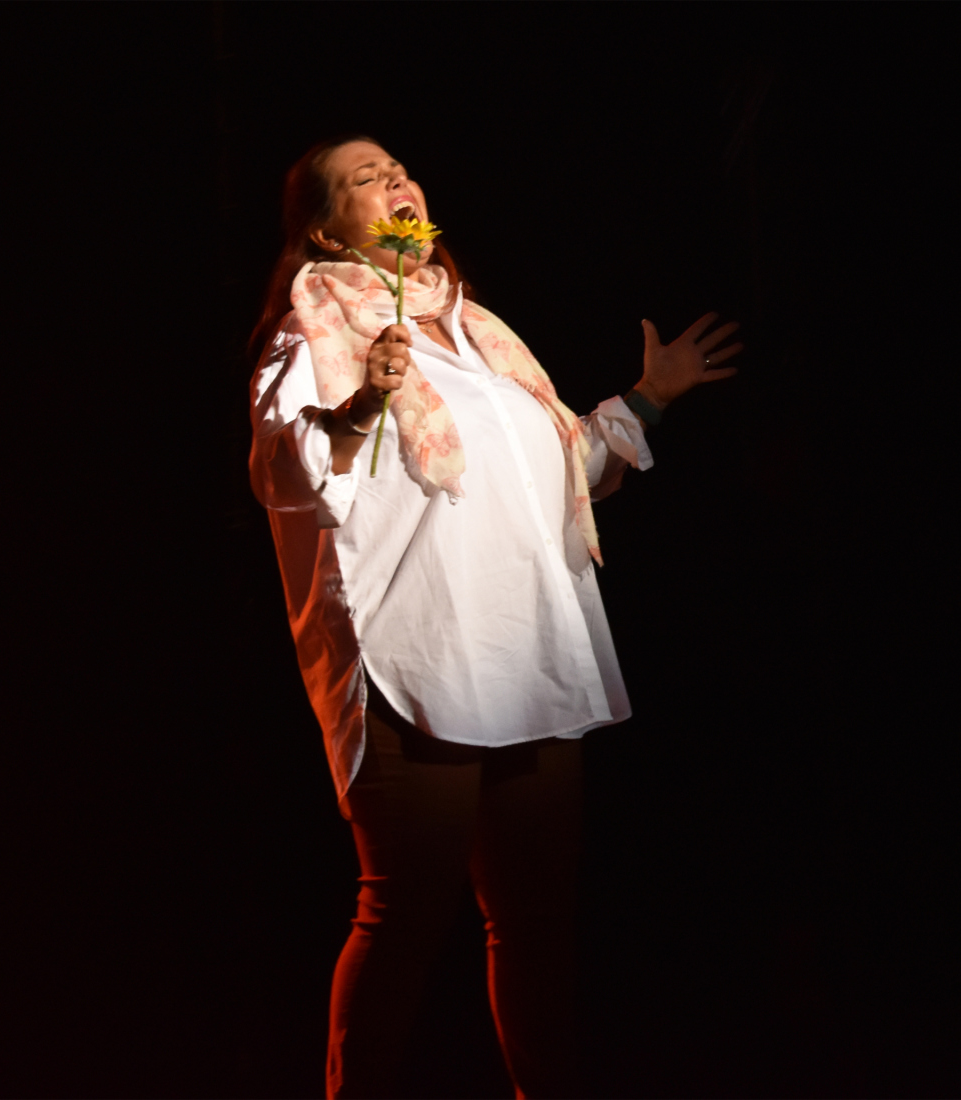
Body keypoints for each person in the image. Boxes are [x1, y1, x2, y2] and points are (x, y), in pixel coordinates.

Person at [248, 135, 742, 1100]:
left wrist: (649, 398)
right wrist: (361, 404)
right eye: (364, 180)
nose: (395, 181)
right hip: (418, 658)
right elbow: (284, 471)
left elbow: (559, 478)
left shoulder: (481, 338)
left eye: (399, 169)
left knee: (536, 922)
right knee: (404, 916)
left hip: (526, 652)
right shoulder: (313, 337)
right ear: (326, 232)